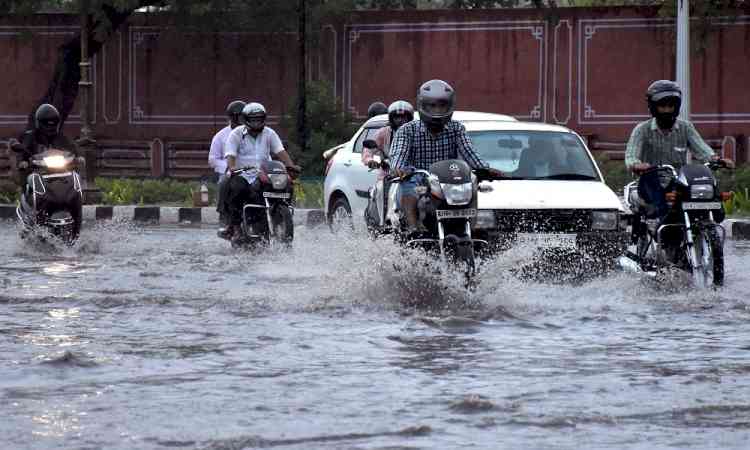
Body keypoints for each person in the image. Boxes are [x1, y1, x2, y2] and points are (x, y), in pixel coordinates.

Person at [389, 79, 502, 234]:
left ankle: (471, 228)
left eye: (442, 105)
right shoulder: (407, 130)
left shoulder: (457, 129)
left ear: (449, 105)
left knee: (473, 183)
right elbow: (398, 155)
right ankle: (413, 228)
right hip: (420, 178)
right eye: (432, 105)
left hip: (448, 180)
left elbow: (469, 152)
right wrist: (399, 169)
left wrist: (484, 169)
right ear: (422, 105)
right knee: (409, 184)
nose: (437, 110)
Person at [219, 102, 301, 240]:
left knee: (287, 184)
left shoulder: (270, 133)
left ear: (264, 118)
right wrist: (232, 167)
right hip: (242, 174)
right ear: (245, 119)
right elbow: (230, 155)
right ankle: (235, 226)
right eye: (253, 119)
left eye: (259, 119)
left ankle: (282, 216)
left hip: (264, 173)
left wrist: (291, 166)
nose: (257, 122)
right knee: (237, 188)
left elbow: (281, 152)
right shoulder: (236, 134)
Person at [625, 80, 734, 174]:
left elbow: (702, 149)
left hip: (679, 182)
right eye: (662, 106)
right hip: (649, 182)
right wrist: (636, 165)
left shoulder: (685, 127)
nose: (667, 110)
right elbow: (631, 156)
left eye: (670, 106)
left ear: (676, 106)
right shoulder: (642, 130)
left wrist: (717, 160)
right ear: (653, 107)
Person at [362, 100, 414, 227]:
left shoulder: (416, 132)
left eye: (404, 117)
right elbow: (368, 150)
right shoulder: (383, 133)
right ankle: (383, 222)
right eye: (397, 117)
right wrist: (371, 161)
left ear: (410, 118)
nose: (401, 121)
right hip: (388, 173)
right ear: (391, 118)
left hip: (412, 173)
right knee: (380, 190)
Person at [9, 104, 81, 193]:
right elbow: (23, 149)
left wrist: (77, 157)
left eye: (53, 123)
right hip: (37, 173)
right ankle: (28, 198)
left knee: (74, 179)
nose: (50, 127)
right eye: (47, 123)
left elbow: (71, 148)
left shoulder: (61, 137)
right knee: (29, 182)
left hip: (60, 173)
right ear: (39, 122)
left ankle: (76, 200)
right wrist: (23, 161)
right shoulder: (30, 136)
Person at [210, 100, 245, 229]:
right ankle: (223, 214)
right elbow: (212, 159)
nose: (239, 120)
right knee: (223, 183)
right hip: (230, 172)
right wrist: (227, 167)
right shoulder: (220, 136)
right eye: (236, 117)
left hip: (251, 170)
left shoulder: (253, 133)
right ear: (230, 118)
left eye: (242, 117)